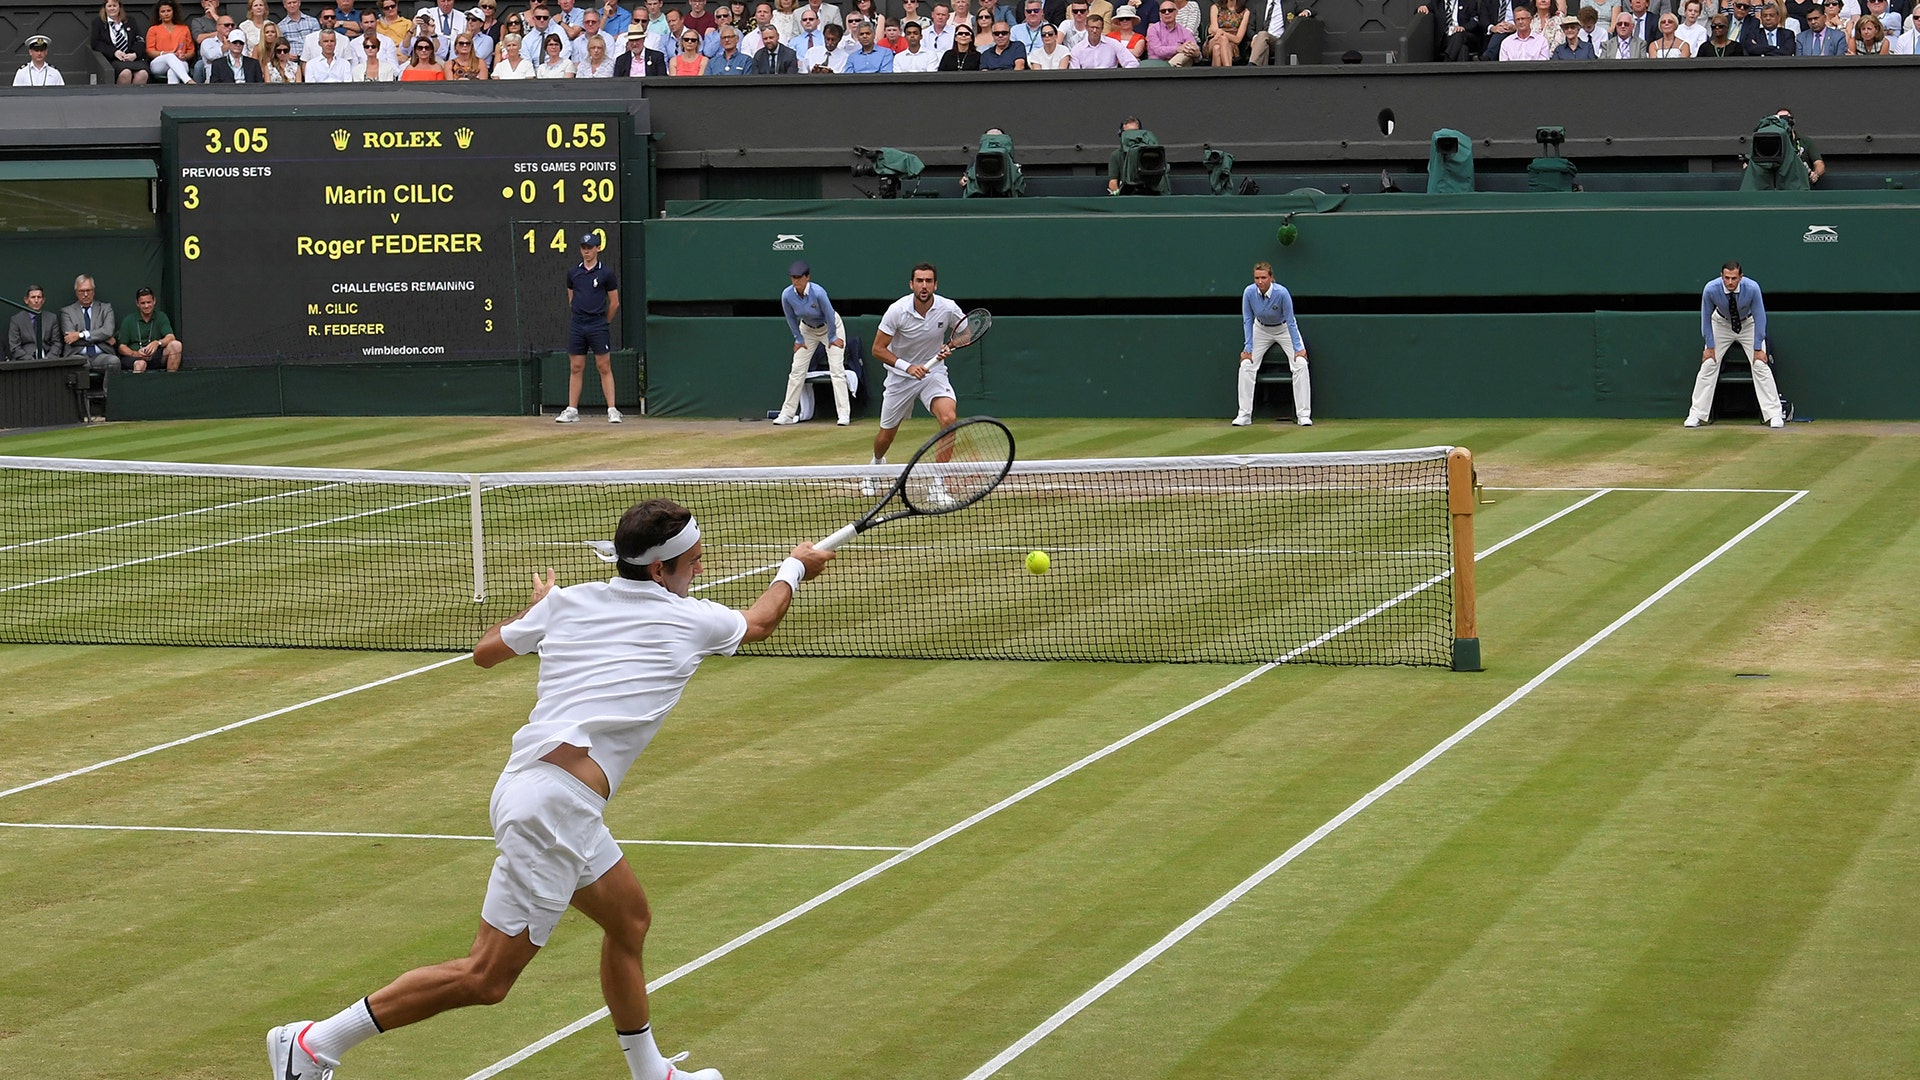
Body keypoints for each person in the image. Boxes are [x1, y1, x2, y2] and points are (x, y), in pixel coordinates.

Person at [267, 499, 834, 1080]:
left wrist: (537, 614)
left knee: (629, 921)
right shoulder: (691, 621)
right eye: (692, 563)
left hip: (539, 793)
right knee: (486, 978)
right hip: (554, 810)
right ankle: (313, 1044)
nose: (700, 572)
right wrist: (794, 567)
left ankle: (652, 1074)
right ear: (660, 570)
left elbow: (486, 653)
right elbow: (761, 621)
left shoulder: (567, 602)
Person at [863, 263, 964, 497]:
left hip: (933, 373)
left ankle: (937, 486)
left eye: (929, 281)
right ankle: (875, 466)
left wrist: (950, 346)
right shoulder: (897, 311)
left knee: (949, 418)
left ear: (935, 285)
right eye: (919, 281)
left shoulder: (948, 308)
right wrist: (908, 367)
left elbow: (966, 332)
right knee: (885, 437)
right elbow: (878, 349)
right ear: (912, 285)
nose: (924, 285)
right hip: (900, 378)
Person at [1687, 261, 1784, 428]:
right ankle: (1696, 414)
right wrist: (1709, 346)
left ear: (1741, 277)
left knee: (1760, 364)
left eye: (1734, 278)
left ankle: (1774, 414)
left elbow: (1760, 317)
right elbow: (1706, 317)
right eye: (1726, 278)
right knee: (1709, 364)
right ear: (1721, 276)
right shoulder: (1710, 289)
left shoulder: (1752, 288)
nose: (1730, 282)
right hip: (1721, 324)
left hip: (1748, 324)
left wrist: (1757, 347)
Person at [771, 261, 850, 426]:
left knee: (837, 371)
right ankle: (787, 414)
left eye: (799, 277)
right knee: (796, 371)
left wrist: (833, 336)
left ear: (808, 277)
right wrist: (798, 338)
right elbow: (790, 318)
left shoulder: (819, 293)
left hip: (830, 328)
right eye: (793, 278)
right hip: (807, 330)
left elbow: (829, 314)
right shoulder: (787, 295)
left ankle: (843, 415)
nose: (796, 281)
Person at [1234, 261, 1310, 427]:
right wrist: (1248, 347)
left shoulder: (1282, 293)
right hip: (1260, 329)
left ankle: (1303, 415)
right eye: (1256, 278)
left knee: (1301, 364)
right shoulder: (1249, 292)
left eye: (1263, 277)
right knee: (1246, 364)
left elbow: (1290, 320)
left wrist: (1298, 348)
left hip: (1283, 329)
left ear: (1271, 278)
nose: (1259, 282)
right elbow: (1247, 319)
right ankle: (1244, 414)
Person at [557, 233, 621, 424]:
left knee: (604, 366)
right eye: (584, 248)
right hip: (578, 324)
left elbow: (614, 302)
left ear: (598, 249)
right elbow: (571, 298)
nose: (587, 251)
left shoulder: (606, 273)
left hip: (598, 324)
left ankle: (612, 410)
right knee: (576, 367)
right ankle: (572, 410)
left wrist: (604, 322)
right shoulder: (573, 273)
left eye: (590, 248)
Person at [60, 275, 118, 380]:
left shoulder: (105, 308)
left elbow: (108, 331)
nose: (85, 294)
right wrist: (102, 338)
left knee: (114, 362)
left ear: (94, 291)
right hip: (77, 354)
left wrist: (80, 335)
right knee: (79, 364)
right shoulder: (67, 311)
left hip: (101, 355)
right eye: (82, 291)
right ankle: (81, 397)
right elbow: (70, 339)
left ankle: (109, 396)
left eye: (88, 290)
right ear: (76, 292)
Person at [114, 288, 183, 373]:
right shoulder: (129, 320)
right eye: (143, 303)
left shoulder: (161, 316)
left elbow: (171, 337)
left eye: (149, 302)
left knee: (176, 345)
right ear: (137, 304)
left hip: (154, 356)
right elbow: (122, 347)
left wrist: (157, 343)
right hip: (135, 357)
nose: (146, 306)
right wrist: (136, 354)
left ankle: (170, 381)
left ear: (154, 301)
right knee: (141, 364)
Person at [93, 0, 151, 83]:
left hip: (132, 58)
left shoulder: (130, 20)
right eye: (109, 6)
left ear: (119, 7)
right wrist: (114, 52)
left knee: (142, 74)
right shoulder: (98, 22)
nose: (112, 8)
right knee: (126, 73)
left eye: (114, 6)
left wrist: (135, 54)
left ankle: (136, 96)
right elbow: (96, 43)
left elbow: (140, 40)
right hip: (113, 59)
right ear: (105, 8)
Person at [7, 285, 64, 361]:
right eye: (33, 297)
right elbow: (15, 347)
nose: (36, 300)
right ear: (26, 300)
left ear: (43, 300)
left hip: (48, 361)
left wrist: (48, 359)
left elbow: (57, 343)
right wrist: (31, 361)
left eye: (39, 297)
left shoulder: (52, 318)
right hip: (24, 363)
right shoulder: (16, 320)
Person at [147, 0, 199, 82]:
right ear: (159, 14)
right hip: (159, 63)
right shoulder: (153, 29)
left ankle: (173, 94)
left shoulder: (184, 28)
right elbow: (150, 51)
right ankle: (188, 80)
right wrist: (165, 53)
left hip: (180, 61)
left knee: (172, 71)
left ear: (173, 12)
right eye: (163, 11)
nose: (166, 14)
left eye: (169, 11)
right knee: (170, 56)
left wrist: (184, 56)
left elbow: (191, 51)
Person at [1069, 11, 1135, 58]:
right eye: (1092, 27)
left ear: (1102, 28)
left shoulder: (1114, 44)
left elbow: (1132, 63)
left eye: (1097, 28)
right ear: (1086, 27)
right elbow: (1074, 72)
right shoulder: (1077, 49)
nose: (1094, 31)